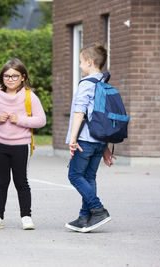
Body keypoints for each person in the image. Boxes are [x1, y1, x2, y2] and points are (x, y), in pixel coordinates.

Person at [0, 58, 46, 230]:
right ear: (2, 78)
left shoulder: (29, 97)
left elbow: (41, 120)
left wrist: (20, 120)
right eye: (7, 76)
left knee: (21, 181)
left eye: (15, 76)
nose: (10, 79)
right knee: (1, 182)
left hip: (21, 146)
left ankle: (26, 217)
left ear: (23, 77)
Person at [65, 43, 117, 233]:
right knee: (89, 177)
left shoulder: (86, 84)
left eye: (80, 62)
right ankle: (84, 217)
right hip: (99, 141)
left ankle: (98, 209)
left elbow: (80, 112)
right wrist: (105, 148)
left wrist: (72, 139)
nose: (79, 66)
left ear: (89, 62)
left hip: (85, 140)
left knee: (75, 175)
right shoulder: (104, 83)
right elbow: (102, 118)